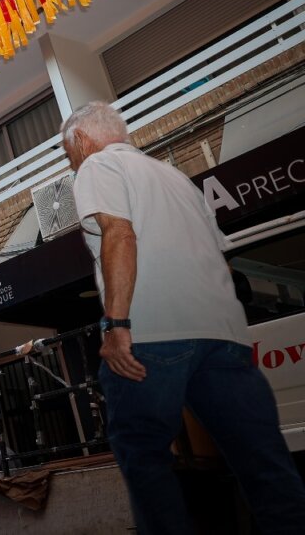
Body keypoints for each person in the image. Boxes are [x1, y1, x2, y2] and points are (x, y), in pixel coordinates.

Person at [63, 102, 305, 535]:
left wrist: (117, 325)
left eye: (69, 154)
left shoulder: (97, 166)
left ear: (81, 140)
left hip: (152, 336)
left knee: (145, 459)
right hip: (224, 338)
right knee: (263, 461)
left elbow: (119, 233)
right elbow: (221, 262)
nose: (72, 162)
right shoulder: (178, 179)